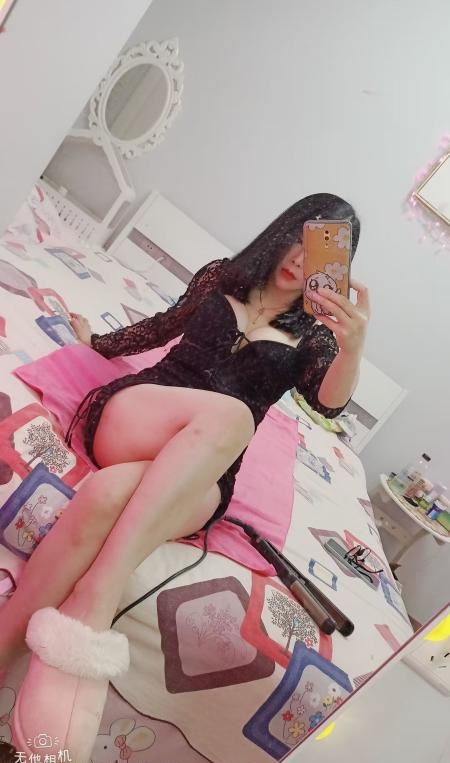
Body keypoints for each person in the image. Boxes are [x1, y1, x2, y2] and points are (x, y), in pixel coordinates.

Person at [0, 193, 370, 761]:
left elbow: (328, 405)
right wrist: (95, 343)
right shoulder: (222, 278)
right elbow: (161, 328)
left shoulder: (318, 338)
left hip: (205, 472)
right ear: (282, 231)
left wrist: (353, 347)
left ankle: (4, 651)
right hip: (138, 415)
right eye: (299, 237)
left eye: (319, 250)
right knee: (234, 417)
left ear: (335, 264)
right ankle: (95, 603)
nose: (301, 258)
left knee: (107, 494)